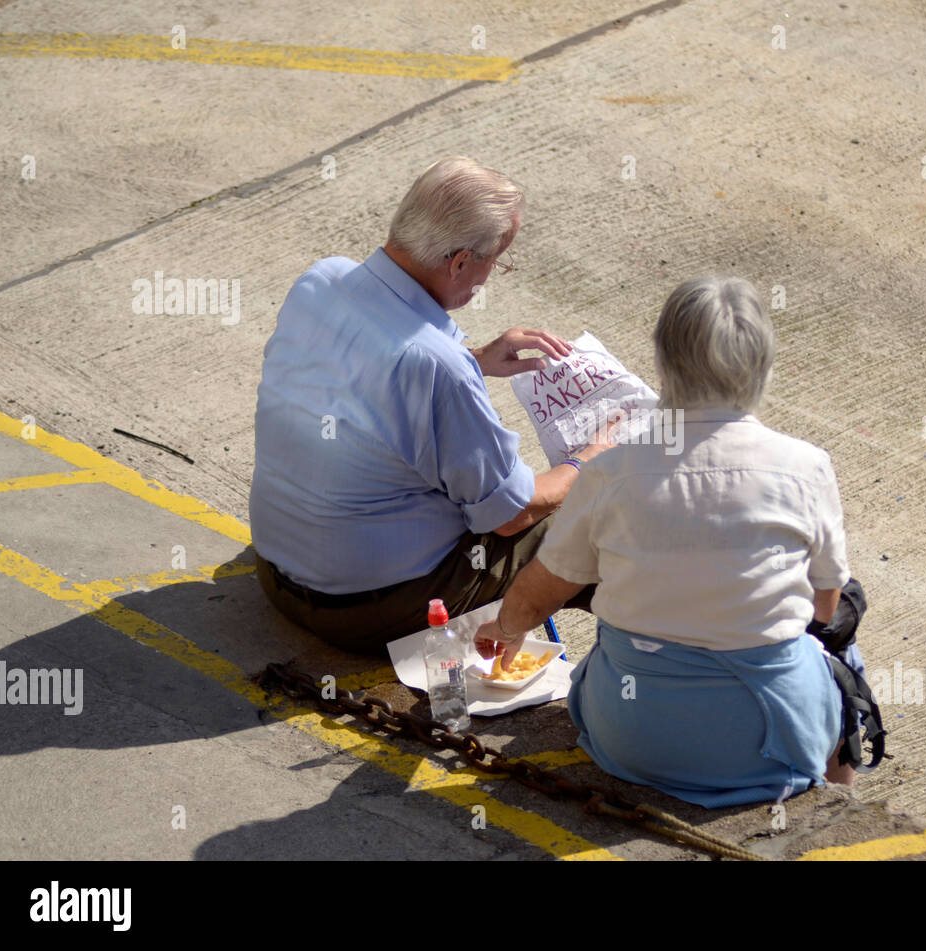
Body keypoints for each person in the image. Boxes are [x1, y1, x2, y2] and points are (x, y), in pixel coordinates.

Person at [474, 277, 872, 806]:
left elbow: (542, 588)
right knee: (847, 636)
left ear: (663, 365)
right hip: (766, 742)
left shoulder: (610, 470)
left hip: (630, 737)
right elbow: (823, 610)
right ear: (764, 368)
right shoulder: (807, 466)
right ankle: (834, 806)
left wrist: (506, 627)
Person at [250, 156, 616, 655]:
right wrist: (592, 461)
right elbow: (511, 515)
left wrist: (478, 358)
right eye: (497, 259)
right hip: (366, 611)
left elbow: (362, 372)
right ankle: (647, 681)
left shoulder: (321, 280)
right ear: (460, 261)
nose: (492, 274)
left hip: (279, 578)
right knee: (599, 521)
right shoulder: (436, 366)